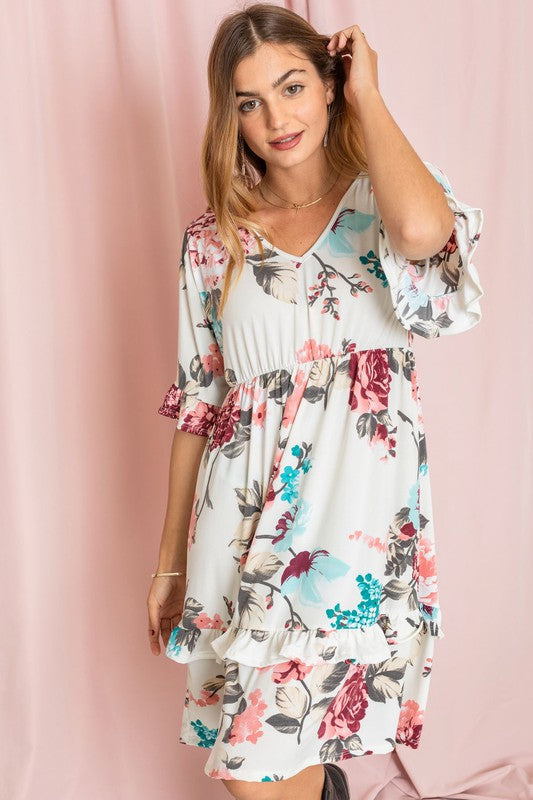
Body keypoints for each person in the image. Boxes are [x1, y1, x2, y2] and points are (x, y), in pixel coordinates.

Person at [147, 4, 484, 799]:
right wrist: (167, 562)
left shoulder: (381, 198)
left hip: (353, 526)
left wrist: (368, 94)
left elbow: (420, 232)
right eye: (248, 101)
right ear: (229, 117)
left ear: (329, 86)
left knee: (252, 767)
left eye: (292, 86)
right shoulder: (212, 239)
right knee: (269, 751)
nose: (274, 118)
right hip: (239, 518)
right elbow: (201, 405)